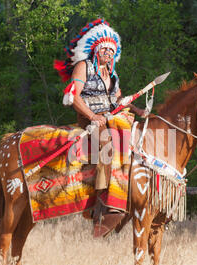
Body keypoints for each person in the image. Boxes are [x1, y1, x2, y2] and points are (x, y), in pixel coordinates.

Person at [54, 19, 145, 237]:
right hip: (91, 119)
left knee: (141, 137)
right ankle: (103, 197)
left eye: (111, 50)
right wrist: (93, 116)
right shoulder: (84, 66)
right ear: (96, 49)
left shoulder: (112, 74)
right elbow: (72, 96)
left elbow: (119, 100)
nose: (108, 53)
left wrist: (138, 110)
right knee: (107, 143)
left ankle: (130, 190)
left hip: (113, 116)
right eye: (104, 49)